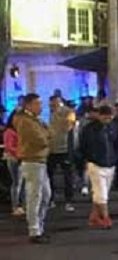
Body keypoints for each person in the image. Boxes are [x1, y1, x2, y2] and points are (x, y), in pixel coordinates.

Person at [15, 94, 52, 244]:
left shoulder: (36, 121)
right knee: (34, 196)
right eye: (38, 103)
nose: (41, 107)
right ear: (28, 105)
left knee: (45, 195)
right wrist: (47, 136)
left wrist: (47, 136)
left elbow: (49, 135)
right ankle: (34, 230)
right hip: (32, 161)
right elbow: (41, 140)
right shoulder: (25, 122)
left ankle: (39, 226)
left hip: (41, 161)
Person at [78, 106, 118, 229]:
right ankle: (106, 218)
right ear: (99, 115)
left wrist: (115, 158)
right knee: (101, 192)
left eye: (110, 117)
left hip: (110, 164)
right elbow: (83, 146)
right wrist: (90, 158)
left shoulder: (113, 126)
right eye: (106, 117)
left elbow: (117, 143)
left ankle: (94, 217)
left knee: (103, 192)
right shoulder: (89, 129)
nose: (108, 119)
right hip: (95, 164)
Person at [47, 95, 75, 212]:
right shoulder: (50, 114)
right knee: (49, 176)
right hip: (51, 149)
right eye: (51, 103)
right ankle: (51, 199)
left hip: (65, 149)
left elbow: (69, 126)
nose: (52, 105)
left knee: (68, 176)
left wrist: (59, 115)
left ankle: (68, 201)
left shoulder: (68, 112)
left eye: (54, 103)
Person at [3, 112, 24, 216]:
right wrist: (20, 152)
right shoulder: (9, 132)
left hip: (21, 158)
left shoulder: (19, 130)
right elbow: (9, 147)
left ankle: (20, 204)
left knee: (21, 183)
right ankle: (15, 205)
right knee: (16, 183)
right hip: (14, 159)